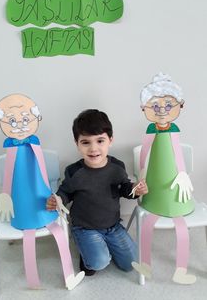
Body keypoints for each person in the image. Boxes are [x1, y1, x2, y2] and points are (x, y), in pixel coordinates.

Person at [0, 94, 84, 290]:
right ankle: (34, 281)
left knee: (58, 231)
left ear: (36, 119)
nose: (19, 124)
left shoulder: (35, 145)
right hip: (21, 211)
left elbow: (42, 175)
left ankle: (68, 277)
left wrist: (55, 198)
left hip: (44, 205)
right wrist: (6, 196)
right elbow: (9, 175)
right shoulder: (12, 150)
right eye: (12, 120)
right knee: (33, 233)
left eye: (25, 119)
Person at [47, 109, 148, 276]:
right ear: (77, 144)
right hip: (85, 228)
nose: (93, 148)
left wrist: (136, 190)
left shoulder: (117, 166)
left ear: (110, 140)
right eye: (86, 142)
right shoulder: (74, 171)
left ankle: (103, 244)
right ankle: (87, 253)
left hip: (113, 226)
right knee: (98, 263)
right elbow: (65, 192)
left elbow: (125, 189)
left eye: (100, 141)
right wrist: (57, 200)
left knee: (132, 264)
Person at [131, 73, 196, 284]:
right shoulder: (150, 129)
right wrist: (141, 172)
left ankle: (181, 270)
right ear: (145, 109)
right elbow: (144, 152)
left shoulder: (174, 130)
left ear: (180, 106)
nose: (161, 111)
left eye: (168, 105)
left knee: (180, 225)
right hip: (154, 192)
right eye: (154, 106)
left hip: (176, 192)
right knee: (149, 221)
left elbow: (176, 153)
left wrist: (183, 173)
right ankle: (146, 267)